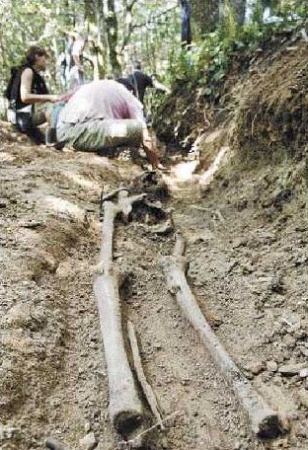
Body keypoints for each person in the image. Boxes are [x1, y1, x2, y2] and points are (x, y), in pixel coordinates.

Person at [55, 79, 165, 170]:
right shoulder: (126, 95)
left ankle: (112, 151)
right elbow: (144, 134)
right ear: (130, 91)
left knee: (121, 129)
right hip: (74, 133)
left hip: (62, 131)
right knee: (138, 128)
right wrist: (155, 162)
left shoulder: (98, 86)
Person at [7, 46, 60, 143]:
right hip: (19, 116)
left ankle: (50, 139)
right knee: (52, 107)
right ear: (37, 57)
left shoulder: (35, 76)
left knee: (54, 105)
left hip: (22, 115)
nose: (46, 62)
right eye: (45, 58)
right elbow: (25, 97)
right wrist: (50, 97)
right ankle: (53, 141)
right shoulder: (28, 71)